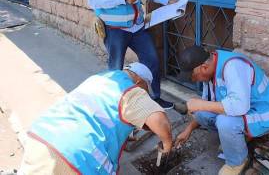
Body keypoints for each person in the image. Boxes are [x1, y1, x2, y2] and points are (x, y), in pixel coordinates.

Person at [19, 62, 172, 175]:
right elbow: (159, 120)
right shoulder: (131, 90)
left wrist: (123, 134)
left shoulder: (101, 78)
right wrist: (167, 143)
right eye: (146, 88)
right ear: (139, 81)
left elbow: (98, 112)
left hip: (41, 136)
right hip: (76, 158)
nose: (145, 92)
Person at [174, 45, 269, 175]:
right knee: (200, 113)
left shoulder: (233, 66)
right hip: (247, 111)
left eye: (192, 77)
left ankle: (237, 162)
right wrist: (188, 130)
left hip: (266, 113)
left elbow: (239, 106)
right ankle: (237, 140)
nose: (192, 80)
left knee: (225, 122)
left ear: (203, 67)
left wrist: (200, 104)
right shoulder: (209, 70)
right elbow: (209, 105)